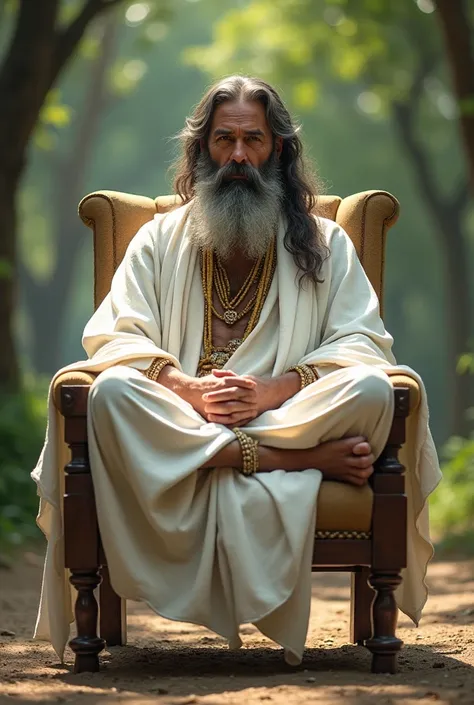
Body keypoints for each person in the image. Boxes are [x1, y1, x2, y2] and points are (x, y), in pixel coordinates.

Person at [32, 75, 441, 665]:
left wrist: (276, 390)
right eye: (225, 140)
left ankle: (220, 452)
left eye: (254, 139)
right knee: (114, 391)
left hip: (268, 416)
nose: (240, 156)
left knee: (375, 387)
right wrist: (187, 390)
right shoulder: (156, 240)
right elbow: (116, 337)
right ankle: (293, 462)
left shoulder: (325, 244)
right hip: (193, 415)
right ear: (203, 148)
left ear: (279, 148)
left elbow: (362, 341)